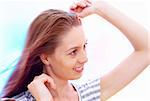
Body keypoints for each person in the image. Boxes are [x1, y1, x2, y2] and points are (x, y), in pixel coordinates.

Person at [1, 0, 149, 101]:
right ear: (45, 58)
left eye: (84, 46)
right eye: (73, 52)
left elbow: (146, 49)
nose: (84, 58)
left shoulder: (85, 94)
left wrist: (100, 8)